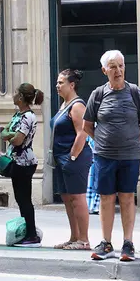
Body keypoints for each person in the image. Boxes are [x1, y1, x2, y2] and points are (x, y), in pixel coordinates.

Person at [82, 50, 140, 262]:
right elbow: (87, 125)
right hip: (104, 156)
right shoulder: (98, 94)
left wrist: (134, 142)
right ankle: (106, 243)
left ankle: (128, 243)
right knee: (106, 197)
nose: (118, 70)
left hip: (129, 156)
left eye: (121, 65)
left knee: (127, 197)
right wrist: (103, 142)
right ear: (105, 70)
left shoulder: (135, 93)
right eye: (113, 67)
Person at [52, 69, 92, 250]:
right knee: (68, 199)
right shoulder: (64, 105)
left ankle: (84, 240)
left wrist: (73, 156)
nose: (57, 86)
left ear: (72, 85)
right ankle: (74, 237)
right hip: (61, 158)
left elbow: (82, 133)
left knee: (77, 197)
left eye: (61, 83)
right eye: (57, 82)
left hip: (74, 158)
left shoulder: (77, 106)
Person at [1, 83, 44, 248]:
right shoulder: (18, 115)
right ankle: (27, 231)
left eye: (15, 93)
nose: (13, 95)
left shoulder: (28, 117)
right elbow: (4, 133)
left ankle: (32, 235)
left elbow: (18, 140)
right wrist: (11, 135)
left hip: (24, 162)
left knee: (24, 199)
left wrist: (10, 135)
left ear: (20, 97)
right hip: (17, 161)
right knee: (20, 198)